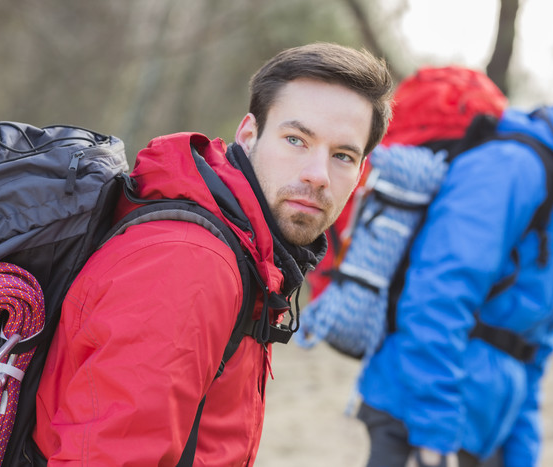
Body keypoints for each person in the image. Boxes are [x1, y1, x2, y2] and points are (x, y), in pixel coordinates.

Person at [31, 42, 393, 465]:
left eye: (342, 156)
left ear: (360, 173)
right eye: (296, 139)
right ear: (248, 134)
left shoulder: (250, 252)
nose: (317, 175)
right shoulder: (192, 262)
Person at [355, 43, 553, 467]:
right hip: (421, 415)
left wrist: (521, 452)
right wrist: (434, 431)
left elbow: (534, 346)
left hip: (483, 424)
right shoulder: (511, 168)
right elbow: (437, 295)